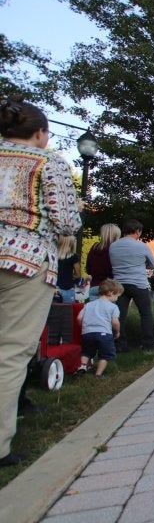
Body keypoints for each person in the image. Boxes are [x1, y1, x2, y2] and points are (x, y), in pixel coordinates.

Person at [0, 96, 82, 467]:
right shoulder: (48, 162)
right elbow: (66, 222)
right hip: (25, 259)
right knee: (10, 351)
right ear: (39, 133)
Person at [109, 219, 154, 351]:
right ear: (137, 231)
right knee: (145, 314)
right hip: (138, 284)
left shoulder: (113, 246)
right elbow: (153, 264)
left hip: (119, 284)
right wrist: (142, 264)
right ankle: (148, 344)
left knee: (120, 315)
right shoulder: (141, 246)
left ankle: (120, 344)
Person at [76, 278, 122, 378]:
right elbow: (115, 322)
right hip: (104, 333)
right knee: (104, 355)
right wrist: (117, 332)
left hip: (87, 333)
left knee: (86, 352)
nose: (117, 298)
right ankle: (98, 374)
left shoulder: (88, 305)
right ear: (110, 293)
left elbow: (79, 318)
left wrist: (83, 327)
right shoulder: (113, 307)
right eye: (117, 296)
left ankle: (83, 366)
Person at [86, 223, 121, 302]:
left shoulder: (95, 247)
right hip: (110, 288)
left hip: (94, 286)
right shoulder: (115, 250)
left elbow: (88, 269)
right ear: (116, 236)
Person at [55, 235, 81, 303]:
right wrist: (69, 276)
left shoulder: (53, 254)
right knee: (67, 308)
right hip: (68, 287)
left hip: (53, 287)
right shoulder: (73, 256)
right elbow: (78, 275)